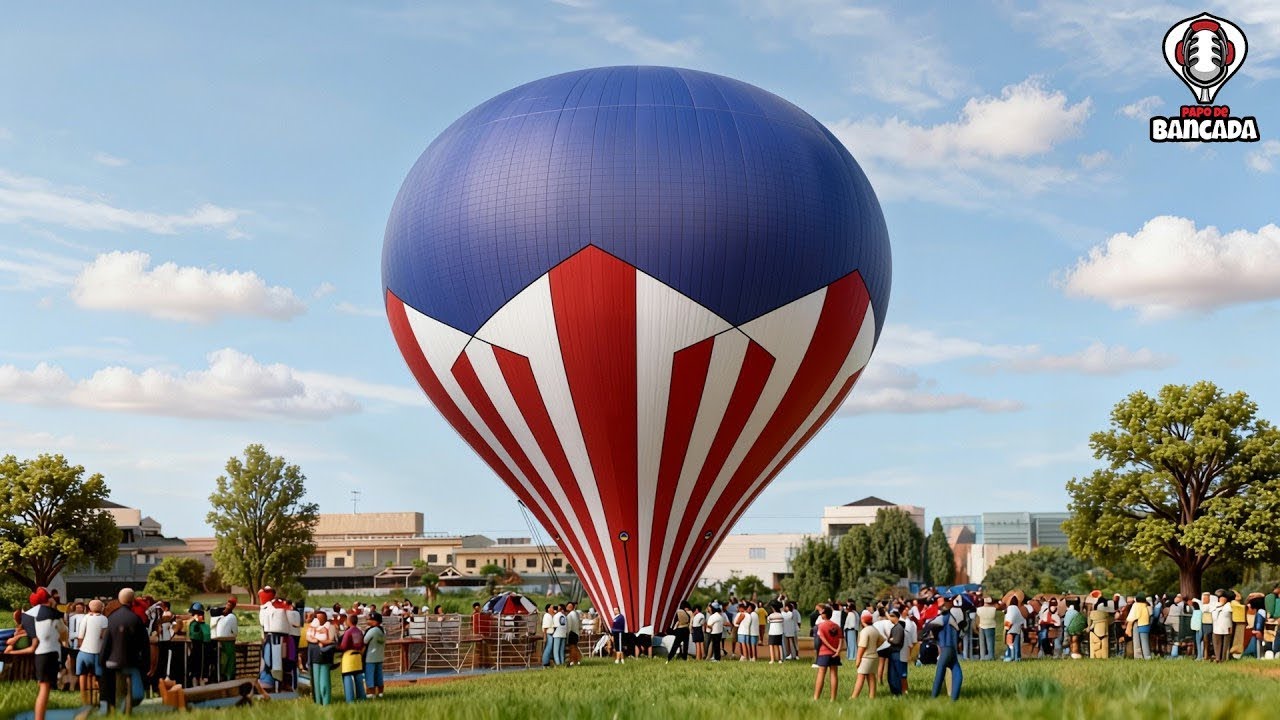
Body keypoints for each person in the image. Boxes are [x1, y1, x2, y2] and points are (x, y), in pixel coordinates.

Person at [14, 587, 63, 720]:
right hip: (48, 652)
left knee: (41, 686)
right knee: (44, 689)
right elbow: (63, 634)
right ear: (47, 598)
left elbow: (27, 633)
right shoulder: (53, 614)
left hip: (35, 653)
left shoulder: (28, 615)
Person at [102, 589, 148, 714]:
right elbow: (144, 644)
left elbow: (107, 642)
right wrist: (146, 662)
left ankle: (119, 710)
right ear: (133, 600)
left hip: (112, 662)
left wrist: (102, 660)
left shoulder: (112, 618)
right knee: (138, 694)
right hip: (132, 662)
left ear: (119, 599)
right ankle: (125, 710)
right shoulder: (136, 619)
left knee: (118, 691)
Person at [75, 599, 108, 706]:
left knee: (83, 674)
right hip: (97, 652)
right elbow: (103, 636)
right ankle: (96, 698)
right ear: (102, 608)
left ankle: (83, 698)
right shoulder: (104, 619)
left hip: (84, 652)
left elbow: (80, 635)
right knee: (97, 676)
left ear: (89, 608)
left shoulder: (86, 617)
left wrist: (81, 645)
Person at [929, 596, 963, 701]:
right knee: (958, 673)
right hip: (952, 649)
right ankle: (954, 699)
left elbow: (930, 626)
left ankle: (934, 697)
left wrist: (933, 637)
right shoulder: (952, 616)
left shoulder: (943, 617)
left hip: (946, 648)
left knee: (940, 673)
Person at [812, 605, 842, 701]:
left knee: (821, 674)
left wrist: (832, 648)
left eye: (822, 613)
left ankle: (816, 698)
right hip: (835, 654)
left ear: (825, 615)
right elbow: (841, 639)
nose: (821, 614)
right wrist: (838, 650)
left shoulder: (821, 626)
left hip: (824, 652)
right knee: (834, 674)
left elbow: (822, 639)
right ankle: (833, 699)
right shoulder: (836, 626)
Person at [307, 610, 336, 705]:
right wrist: (318, 641)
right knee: (315, 681)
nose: (319, 620)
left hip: (325, 656)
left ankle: (326, 701)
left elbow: (331, 640)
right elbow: (309, 638)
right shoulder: (312, 627)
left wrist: (319, 642)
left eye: (321, 618)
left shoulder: (330, 627)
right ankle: (318, 701)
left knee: (324, 682)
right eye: (317, 618)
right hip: (314, 656)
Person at [851, 611, 882, 700]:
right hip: (874, 656)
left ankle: (854, 697)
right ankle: (872, 696)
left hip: (866, 658)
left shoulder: (864, 631)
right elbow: (882, 640)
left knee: (860, 677)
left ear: (862, 621)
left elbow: (862, 647)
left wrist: (858, 659)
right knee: (871, 677)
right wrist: (874, 647)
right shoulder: (874, 629)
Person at [337, 611, 366, 702]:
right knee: (358, 678)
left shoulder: (348, 632)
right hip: (357, 656)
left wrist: (336, 647)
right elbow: (362, 644)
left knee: (348, 677)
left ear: (349, 621)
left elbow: (344, 646)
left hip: (348, 657)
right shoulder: (359, 631)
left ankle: (350, 699)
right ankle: (362, 698)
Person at [212, 597, 239, 681]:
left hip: (216, 640)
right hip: (228, 640)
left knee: (221, 659)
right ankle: (229, 676)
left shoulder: (217, 616)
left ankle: (220, 675)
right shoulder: (232, 617)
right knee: (230, 658)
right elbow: (235, 632)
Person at [363, 611, 386, 699]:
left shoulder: (372, 630)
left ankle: (370, 694)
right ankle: (380, 693)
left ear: (375, 621)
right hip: (379, 657)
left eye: (370, 619)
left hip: (370, 657)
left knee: (370, 677)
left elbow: (364, 641)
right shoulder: (382, 630)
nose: (368, 620)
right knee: (379, 676)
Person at [885, 609, 905, 695]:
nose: (890, 618)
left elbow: (896, 641)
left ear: (896, 617)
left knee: (895, 674)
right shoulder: (896, 627)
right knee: (892, 675)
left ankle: (897, 692)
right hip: (893, 653)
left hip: (896, 652)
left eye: (892, 616)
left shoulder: (898, 628)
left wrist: (889, 639)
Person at [1211, 590, 1233, 663]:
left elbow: (1227, 613)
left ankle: (1224, 658)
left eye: (1223, 598)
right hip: (1216, 627)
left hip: (1226, 627)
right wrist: (1219, 607)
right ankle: (1217, 658)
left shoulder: (1228, 605)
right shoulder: (1215, 605)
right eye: (1220, 598)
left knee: (1225, 644)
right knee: (1217, 643)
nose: (1221, 599)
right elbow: (1213, 615)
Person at [1004, 596, 1025, 661]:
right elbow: (1022, 620)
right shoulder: (1017, 609)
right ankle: (1017, 658)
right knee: (1016, 645)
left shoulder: (1010, 609)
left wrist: (1006, 627)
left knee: (1010, 644)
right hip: (1017, 629)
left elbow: (1009, 619)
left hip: (1010, 629)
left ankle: (1010, 657)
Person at [566, 601, 583, 667]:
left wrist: (567, 634)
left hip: (572, 633)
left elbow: (569, 626)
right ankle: (577, 660)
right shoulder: (576, 614)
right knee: (575, 647)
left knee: (572, 648)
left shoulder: (570, 615)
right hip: (576, 633)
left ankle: (572, 661)